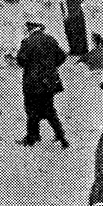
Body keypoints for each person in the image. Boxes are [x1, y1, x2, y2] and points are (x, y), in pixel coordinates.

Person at [17, 14, 69, 148]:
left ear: (31, 27)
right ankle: (61, 136)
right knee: (49, 110)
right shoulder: (50, 39)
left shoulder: (28, 41)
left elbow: (21, 60)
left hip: (32, 83)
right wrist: (50, 68)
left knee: (31, 110)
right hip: (49, 82)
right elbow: (62, 57)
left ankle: (32, 137)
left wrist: (32, 66)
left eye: (27, 27)